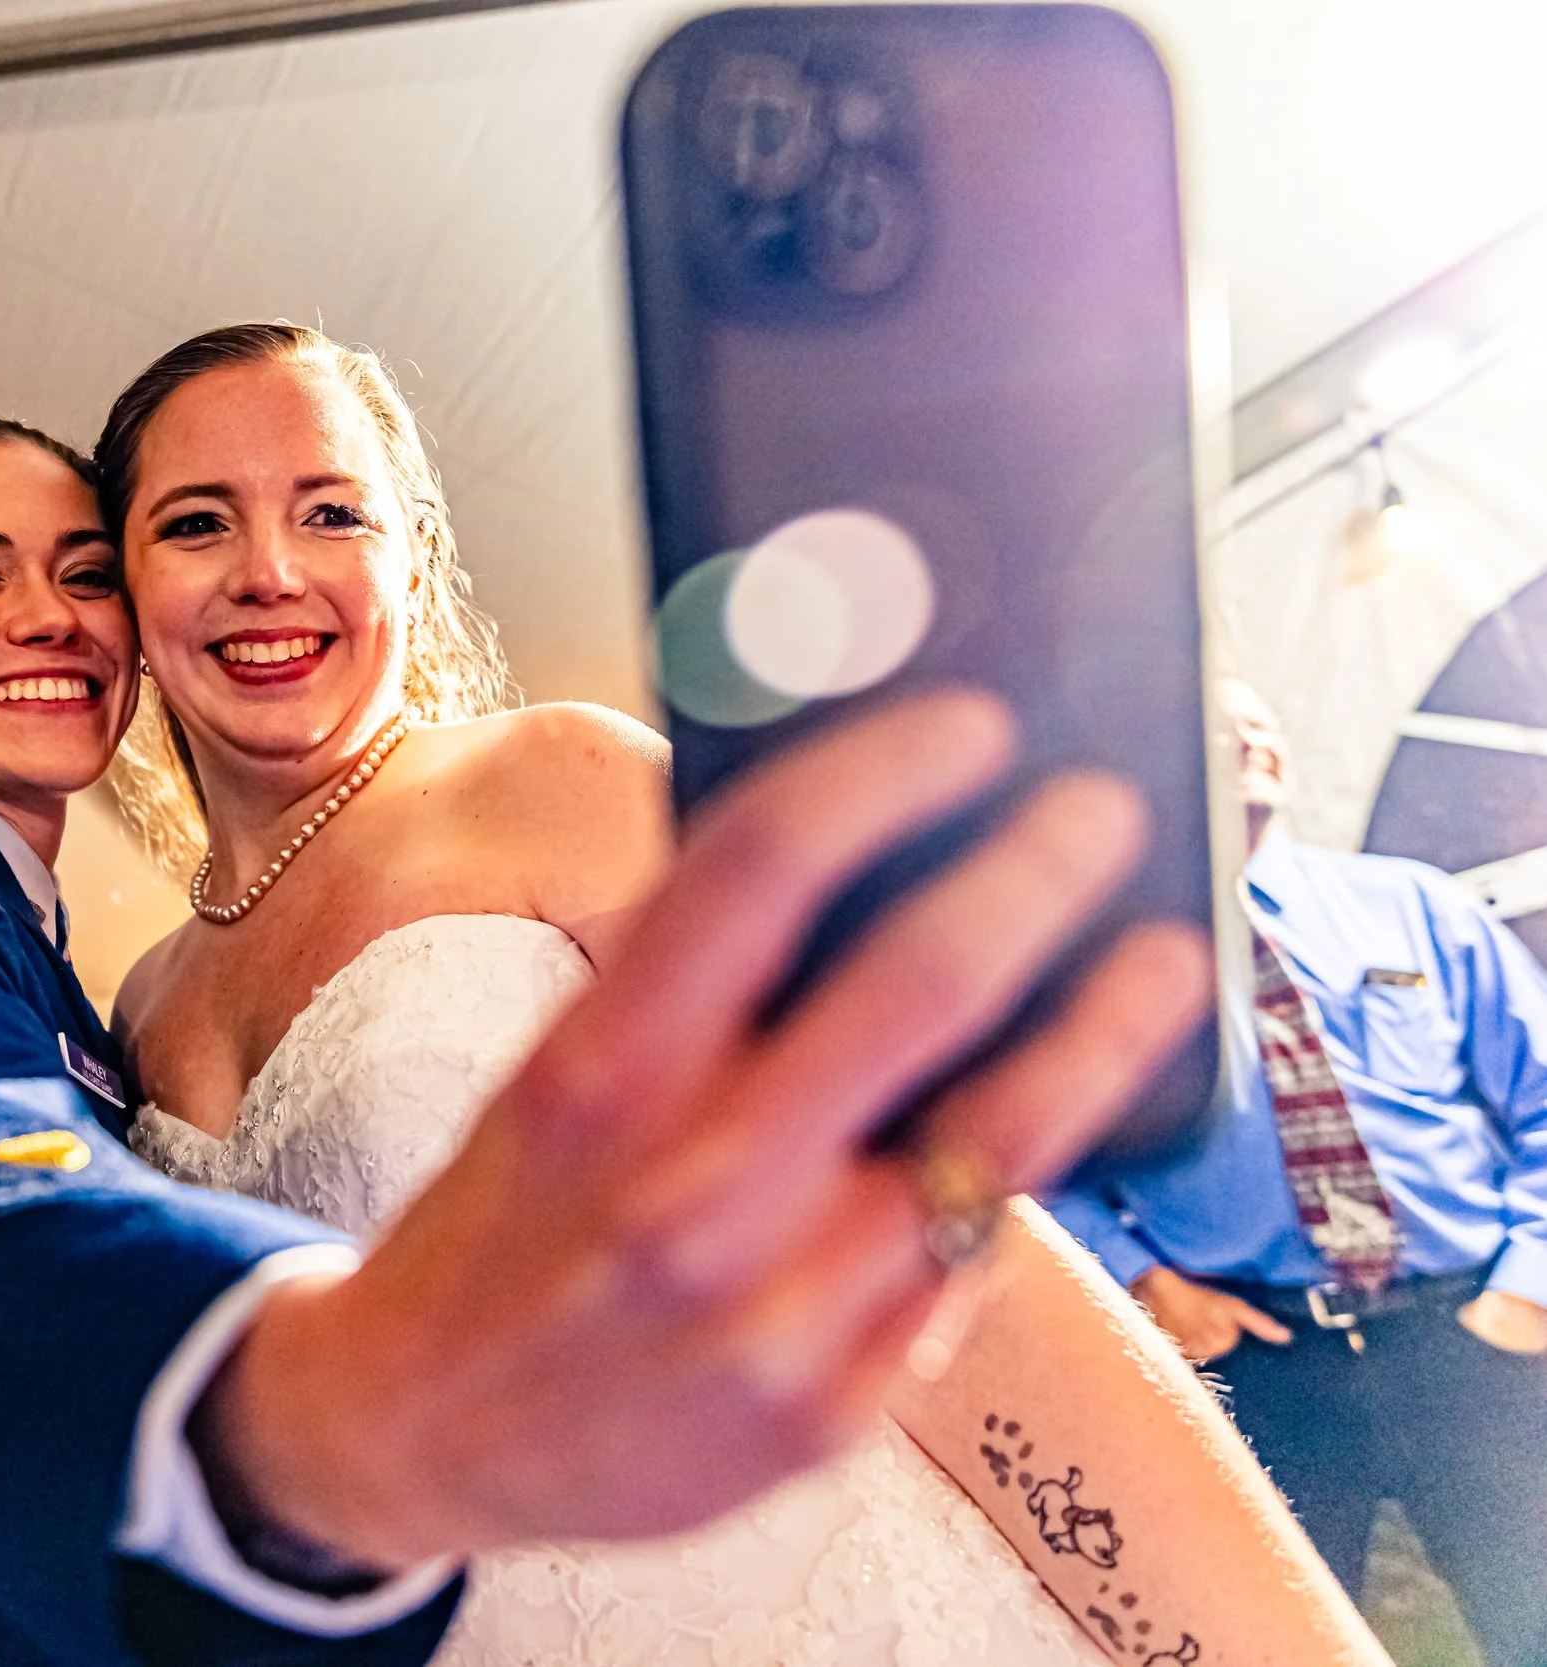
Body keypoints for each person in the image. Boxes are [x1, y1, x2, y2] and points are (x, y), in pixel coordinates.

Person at [0, 405, 1216, 1667]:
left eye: (79, 568)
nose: (52, 615)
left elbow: (953, 1251)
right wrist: (310, 1411)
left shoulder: (523, 795)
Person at [105, 323, 1384, 1665]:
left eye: (331, 511)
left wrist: (1259, 1646)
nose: (271, 571)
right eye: (198, 522)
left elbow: (956, 1241)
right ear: (118, 581)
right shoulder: (138, 1005)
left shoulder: (555, 783)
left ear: (409, 555)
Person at [1051, 678, 1547, 1664]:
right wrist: (1137, 1278)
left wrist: (1532, 1276)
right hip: (1254, 1355)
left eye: (1258, 715)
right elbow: (1033, 1151)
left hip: (1468, 1335)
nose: (1246, 730)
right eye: (1211, 715)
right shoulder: (1094, 953)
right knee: (1262, 1638)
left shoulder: (1409, 904)